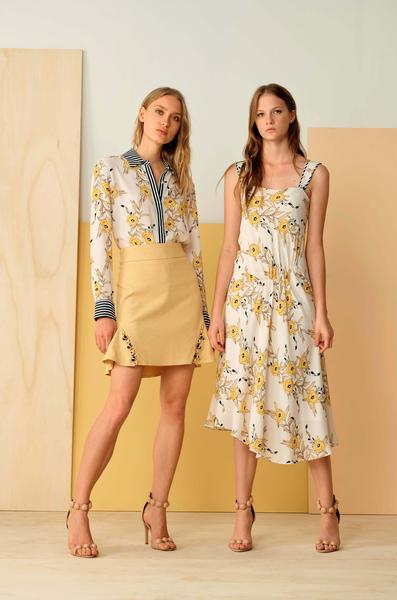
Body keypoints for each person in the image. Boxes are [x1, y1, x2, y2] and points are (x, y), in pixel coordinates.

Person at [67, 87, 213, 557]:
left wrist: (206, 316)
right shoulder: (110, 168)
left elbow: (194, 250)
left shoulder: (182, 179)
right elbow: (100, 242)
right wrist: (104, 308)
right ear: (143, 114)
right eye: (159, 112)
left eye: (175, 117)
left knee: (175, 406)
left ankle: (157, 508)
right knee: (118, 405)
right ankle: (78, 509)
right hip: (135, 291)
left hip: (180, 295)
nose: (165, 122)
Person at [206, 83, 340, 553]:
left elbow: (314, 247)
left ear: (291, 115)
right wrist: (217, 313)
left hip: (295, 302)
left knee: (308, 401)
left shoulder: (314, 175)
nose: (268, 120)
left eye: (276, 111)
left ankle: (328, 511)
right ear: (254, 120)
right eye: (261, 113)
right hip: (245, 306)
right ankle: (243, 512)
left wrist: (322, 313)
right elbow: (228, 248)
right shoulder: (239, 175)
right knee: (245, 407)